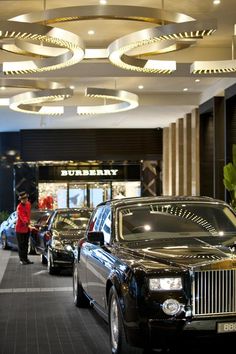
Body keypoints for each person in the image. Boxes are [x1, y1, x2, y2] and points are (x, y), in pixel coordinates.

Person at [15, 191, 34, 265]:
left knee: (26, 244)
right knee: (21, 245)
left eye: (26, 198)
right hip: (20, 229)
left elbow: (28, 215)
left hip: (26, 229)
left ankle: (26, 259)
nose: (25, 199)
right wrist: (27, 224)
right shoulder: (19, 207)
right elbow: (23, 217)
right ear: (21, 199)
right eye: (24, 198)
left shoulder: (28, 204)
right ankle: (22, 260)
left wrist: (30, 223)